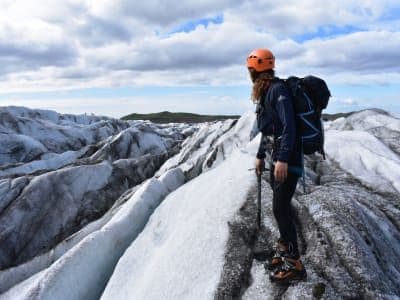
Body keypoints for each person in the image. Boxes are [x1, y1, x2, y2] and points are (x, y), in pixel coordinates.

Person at [246, 48, 307, 283]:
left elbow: (289, 127)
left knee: (280, 209)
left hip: (287, 160)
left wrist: (282, 159)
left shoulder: (278, 90)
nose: (250, 73)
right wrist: (261, 156)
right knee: (279, 208)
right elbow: (269, 129)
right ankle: (284, 252)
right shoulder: (267, 91)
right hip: (276, 158)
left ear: (257, 69)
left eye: (251, 69)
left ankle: (295, 265)